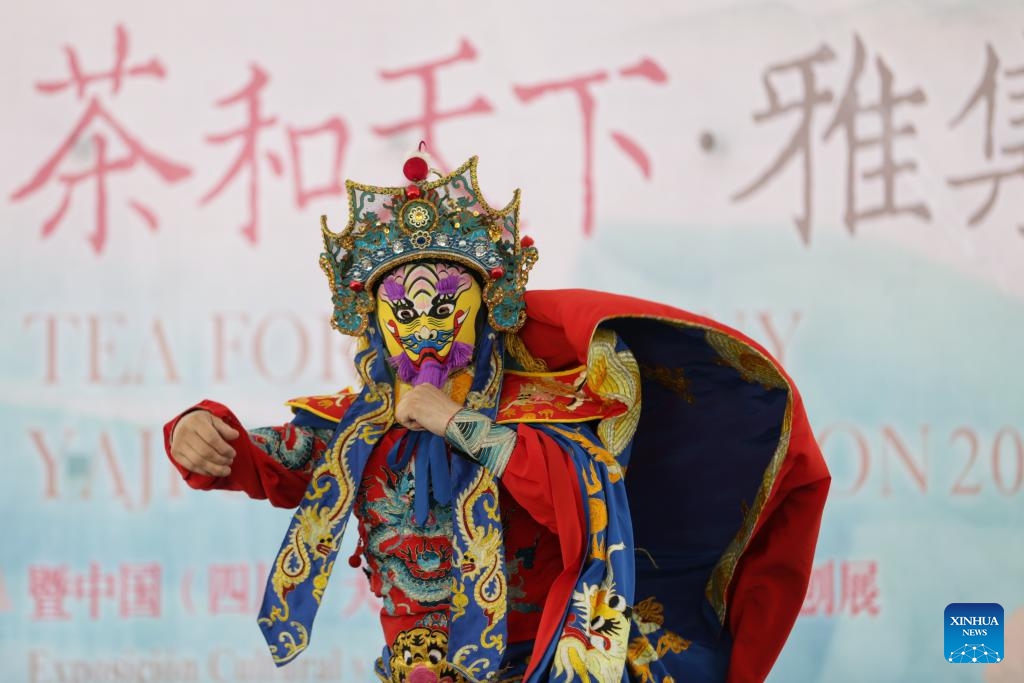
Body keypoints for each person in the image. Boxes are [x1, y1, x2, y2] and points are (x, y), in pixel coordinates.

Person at [165, 151, 831, 683]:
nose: (423, 328)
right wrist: (197, 429)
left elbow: (585, 501)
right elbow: (262, 459)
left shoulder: (545, 407)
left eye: (444, 306)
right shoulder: (349, 428)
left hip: (534, 663)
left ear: (487, 309)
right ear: (373, 322)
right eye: (403, 312)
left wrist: (458, 423)